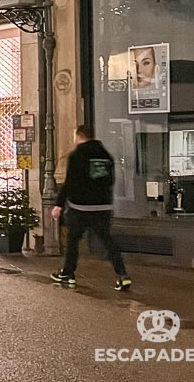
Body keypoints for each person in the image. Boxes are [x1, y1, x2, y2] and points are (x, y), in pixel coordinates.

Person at [50, 124, 130, 291]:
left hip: (80, 207)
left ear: (78, 136)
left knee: (73, 241)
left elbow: (70, 183)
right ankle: (122, 275)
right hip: (102, 207)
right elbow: (110, 181)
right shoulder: (106, 155)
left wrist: (59, 204)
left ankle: (68, 274)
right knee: (108, 241)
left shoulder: (76, 155)